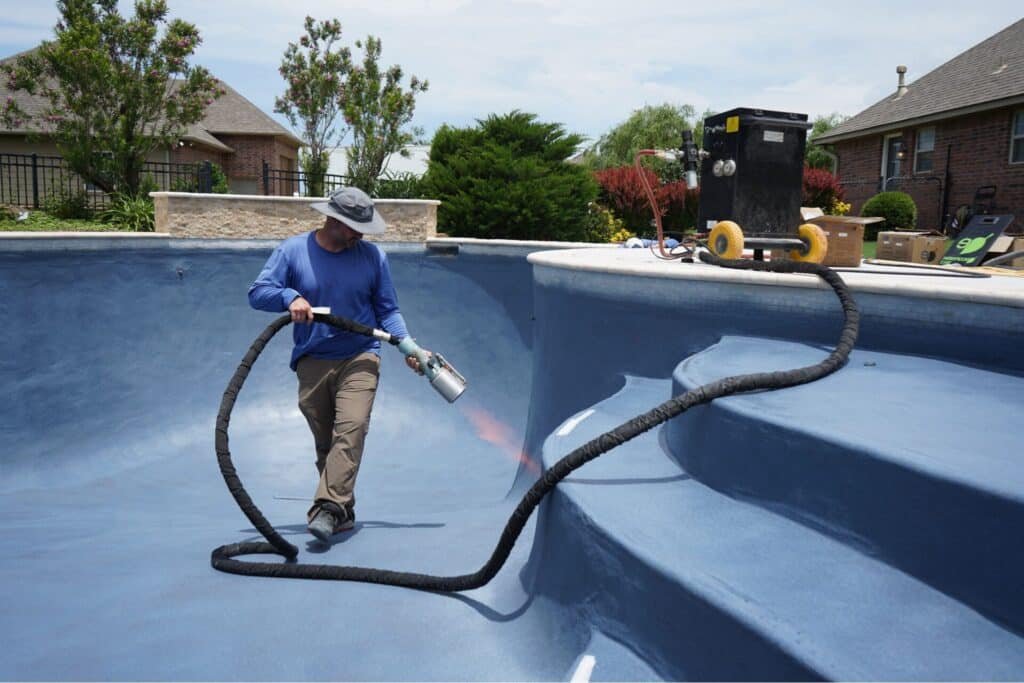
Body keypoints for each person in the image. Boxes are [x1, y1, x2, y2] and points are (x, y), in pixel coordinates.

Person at [248, 186, 428, 542]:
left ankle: (327, 507)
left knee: (352, 427)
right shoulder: (293, 251)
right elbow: (257, 293)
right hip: (313, 358)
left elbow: (387, 310)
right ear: (332, 220)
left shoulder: (373, 258)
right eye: (352, 226)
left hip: (361, 354)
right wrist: (290, 297)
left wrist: (410, 347)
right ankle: (343, 509)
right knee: (327, 441)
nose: (360, 234)